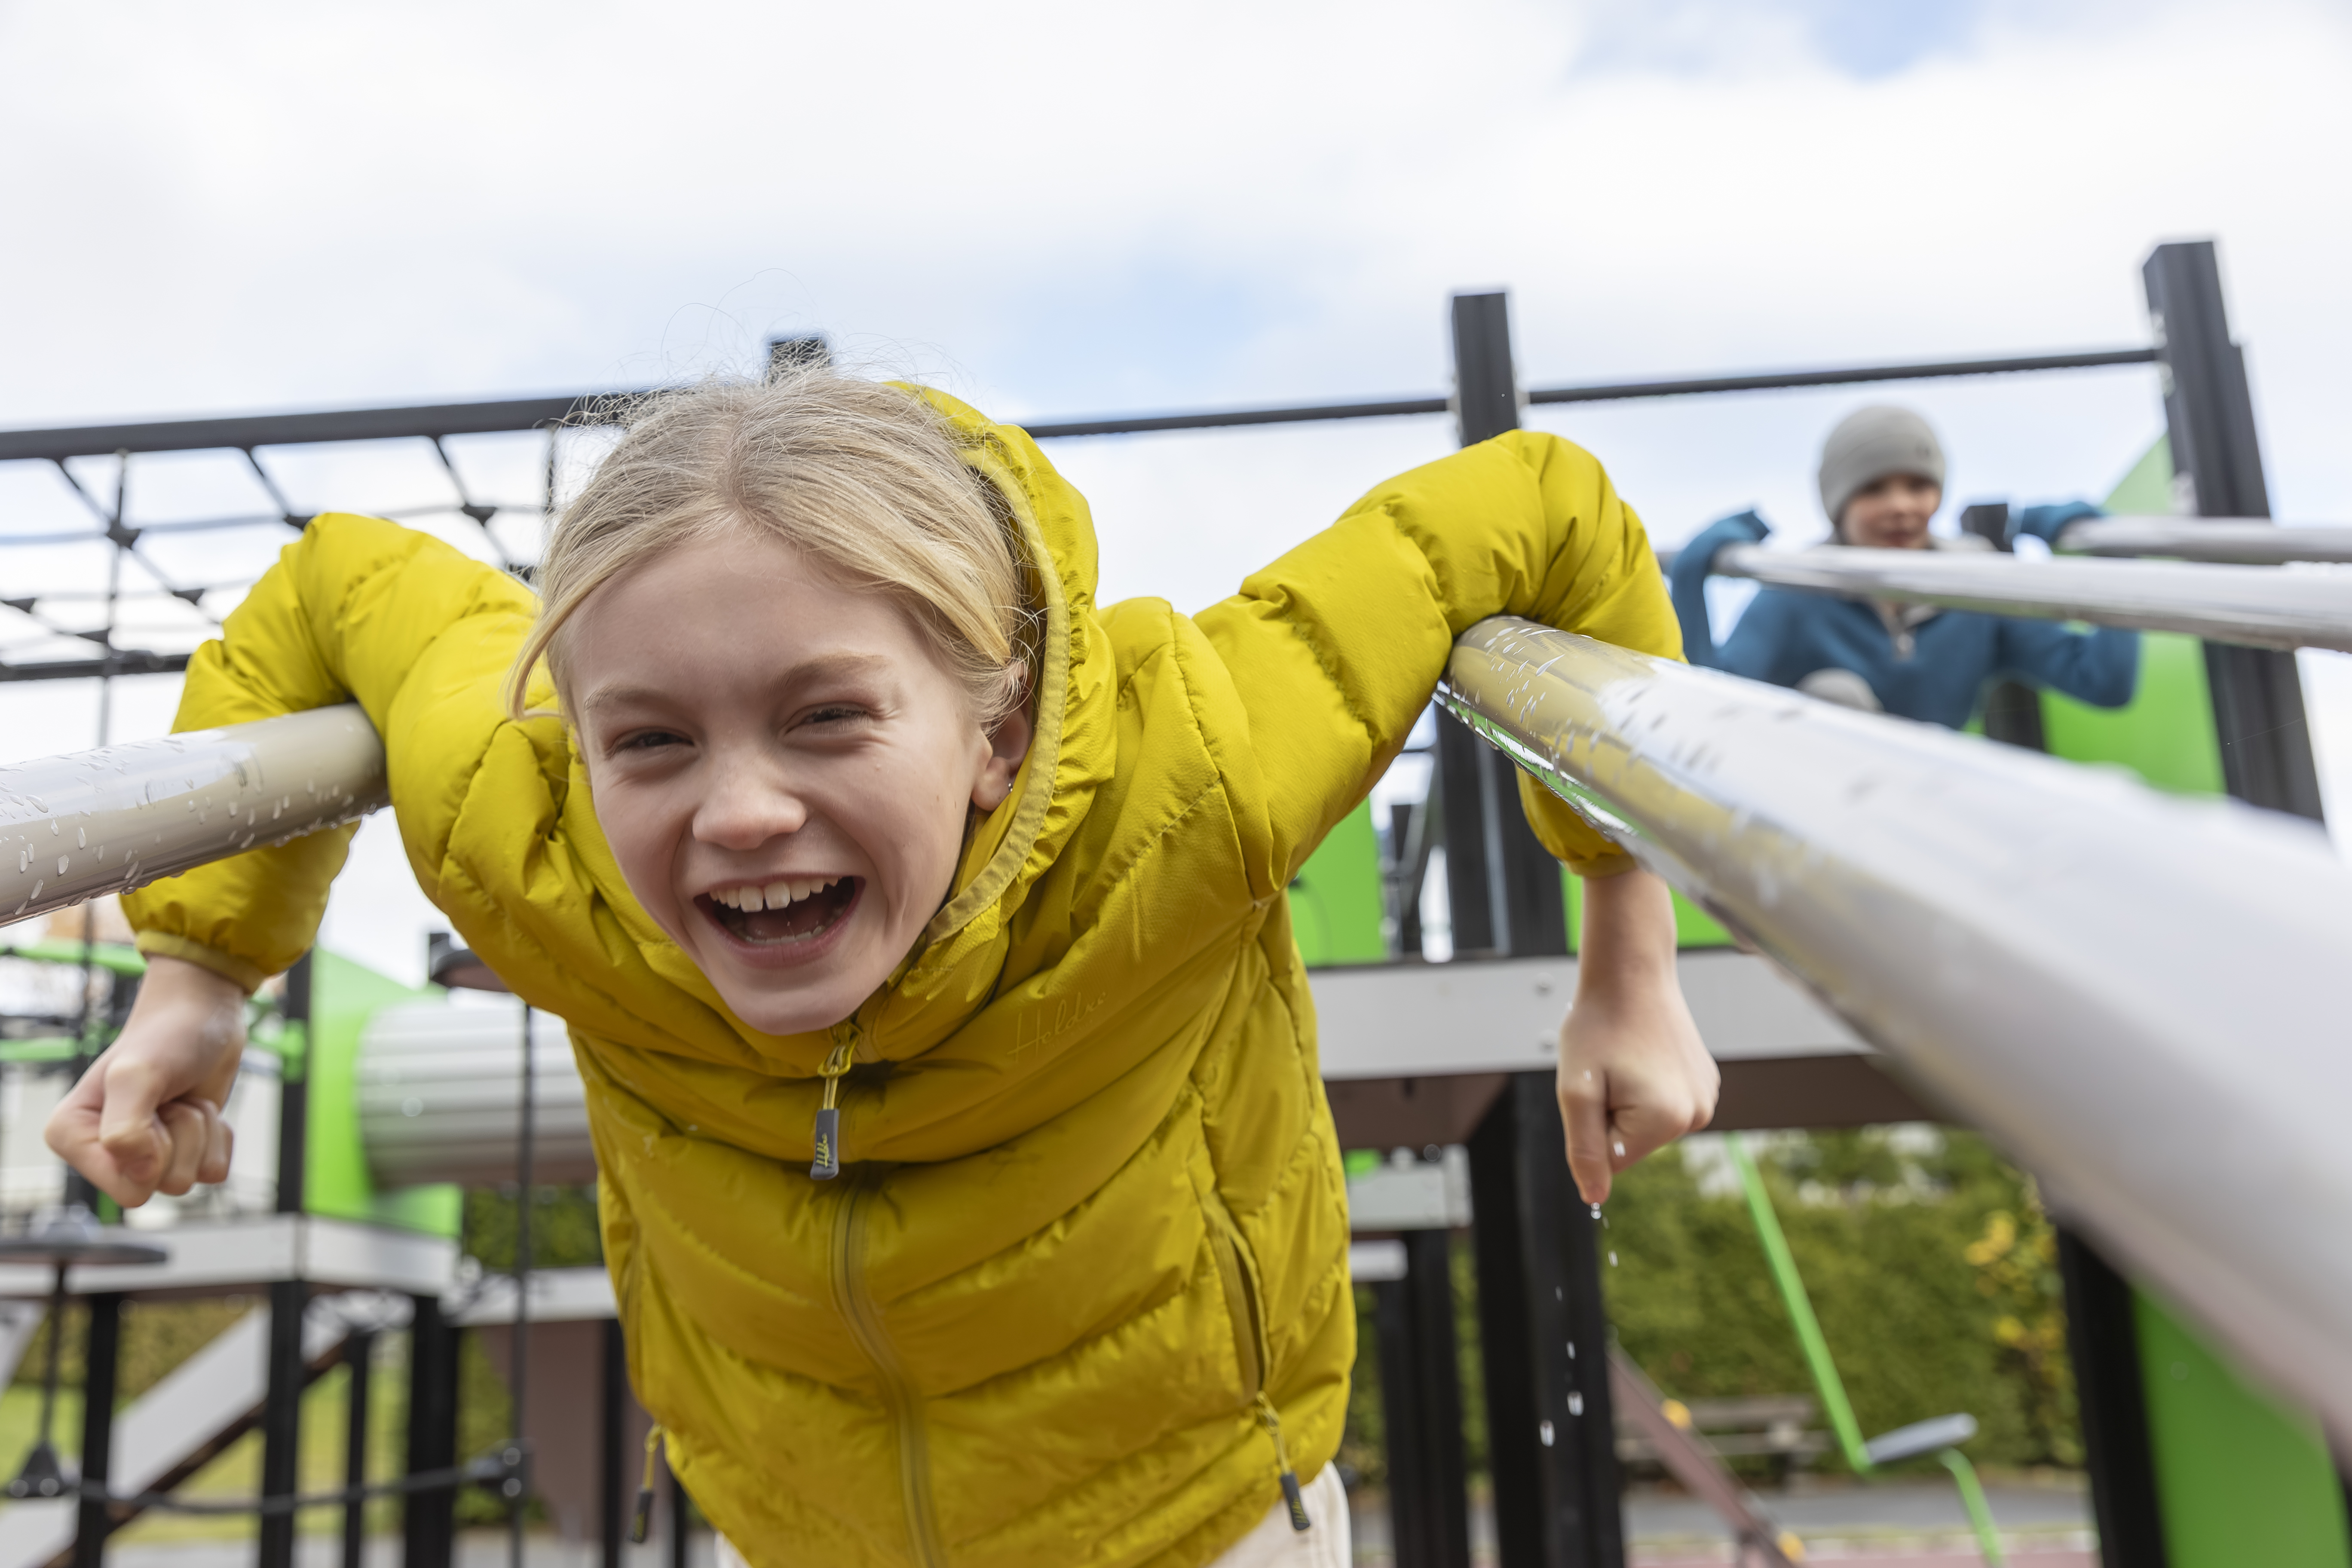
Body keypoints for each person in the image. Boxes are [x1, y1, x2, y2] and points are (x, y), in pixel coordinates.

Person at [44, 371, 1720, 1568]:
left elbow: (1535, 510)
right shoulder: (531, 833)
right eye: (654, 738)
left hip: (1196, 1521)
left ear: (994, 729)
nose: (741, 810)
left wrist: (1626, 951)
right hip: (793, 1526)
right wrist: (200, 978)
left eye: (829, 715)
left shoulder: (1198, 771)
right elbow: (333, 578)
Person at [1670, 404, 2138, 725]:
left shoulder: (1977, 584)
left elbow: (2103, 681)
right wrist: (1694, 577)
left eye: (1918, 485)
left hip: (1934, 809)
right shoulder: (1796, 593)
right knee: (1836, 694)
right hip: (1816, 817)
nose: (1900, 506)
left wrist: (2108, 552)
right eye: (1874, 489)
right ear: (1838, 502)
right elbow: (1711, 709)